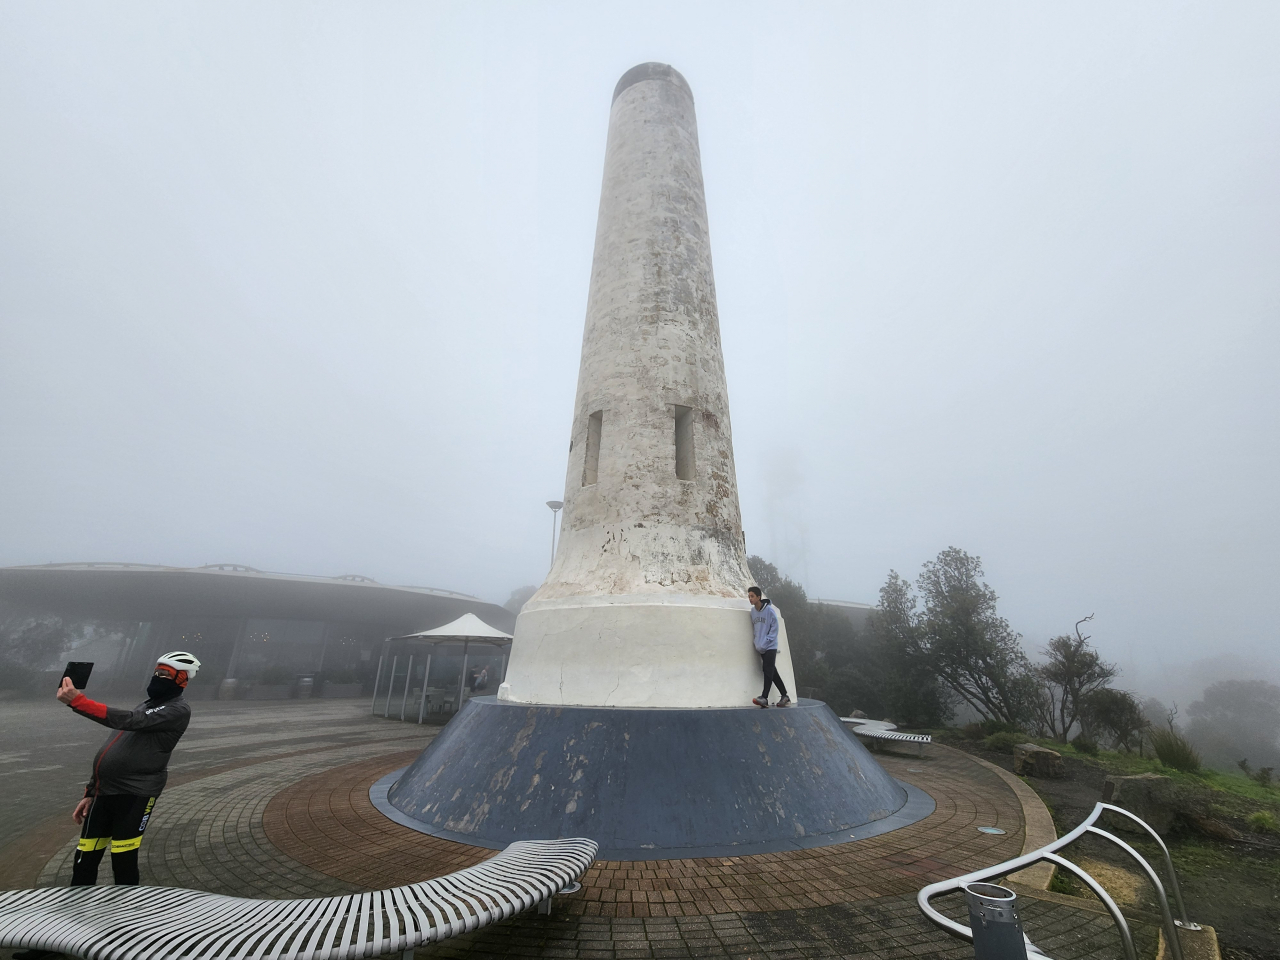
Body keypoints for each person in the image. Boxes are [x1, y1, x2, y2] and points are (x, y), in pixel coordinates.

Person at [57, 653, 199, 885]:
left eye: (165, 674)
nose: (157, 677)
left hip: (135, 793)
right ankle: (76, 912)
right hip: (104, 793)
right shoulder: (146, 706)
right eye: (156, 672)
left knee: (123, 859)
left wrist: (79, 701)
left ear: (182, 680)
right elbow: (111, 750)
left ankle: (127, 914)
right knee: (84, 858)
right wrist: (90, 792)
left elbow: (130, 720)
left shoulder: (178, 710)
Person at [748, 586, 791, 708]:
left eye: (752, 596)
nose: (750, 599)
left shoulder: (770, 611)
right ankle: (785, 696)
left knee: (767, 669)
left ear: (759, 597)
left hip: (770, 646)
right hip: (760, 646)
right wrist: (758, 642)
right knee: (772, 671)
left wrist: (767, 640)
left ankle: (764, 697)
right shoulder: (753, 612)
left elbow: (774, 628)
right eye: (749, 596)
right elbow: (756, 629)